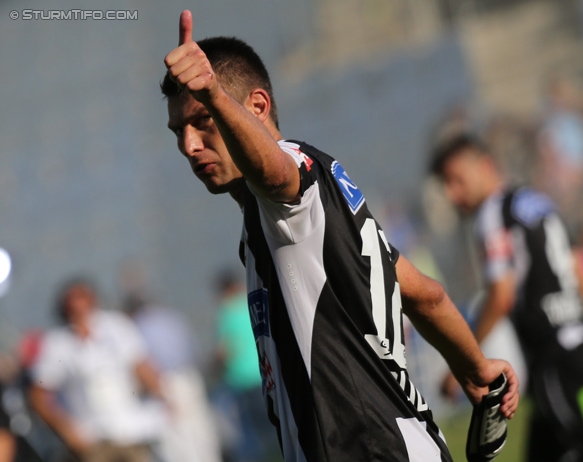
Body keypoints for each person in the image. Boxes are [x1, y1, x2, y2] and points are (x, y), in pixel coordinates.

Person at [161, 11, 519, 461]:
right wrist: (475, 368)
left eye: (204, 120)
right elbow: (425, 294)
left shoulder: (290, 182)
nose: (189, 146)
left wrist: (212, 91)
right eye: (180, 130)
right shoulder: (314, 211)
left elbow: (275, 175)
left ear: (255, 107)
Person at [430, 133, 583, 462]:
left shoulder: (493, 214)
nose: (453, 195)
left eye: (457, 181)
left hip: (554, 359)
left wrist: (464, 358)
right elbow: (578, 265)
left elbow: (502, 294)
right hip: (579, 343)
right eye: (446, 186)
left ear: (485, 166)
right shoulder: (536, 202)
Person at [29, 278, 168, 462]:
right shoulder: (57, 344)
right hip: (91, 436)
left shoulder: (116, 327)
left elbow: (141, 364)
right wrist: (65, 430)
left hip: (130, 430)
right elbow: (40, 394)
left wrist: (164, 397)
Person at [123, 293, 222, 462]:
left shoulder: (135, 327)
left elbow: (141, 363)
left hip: (163, 382)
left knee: (174, 436)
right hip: (190, 377)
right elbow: (193, 348)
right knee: (200, 430)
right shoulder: (172, 317)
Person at [212, 270, 279, 461]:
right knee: (273, 420)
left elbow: (224, 349)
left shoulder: (226, 310)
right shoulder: (250, 301)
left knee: (255, 429)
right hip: (265, 372)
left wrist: (214, 365)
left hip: (242, 378)